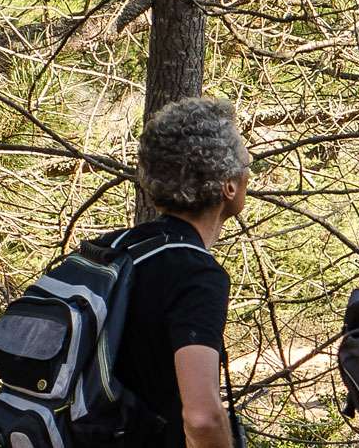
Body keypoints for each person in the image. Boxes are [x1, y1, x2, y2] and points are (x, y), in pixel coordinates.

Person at [92, 97, 251, 448]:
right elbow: (202, 418)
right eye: (245, 164)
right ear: (229, 185)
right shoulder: (196, 275)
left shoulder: (113, 249)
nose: (248, 173)